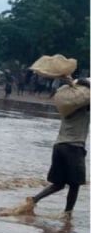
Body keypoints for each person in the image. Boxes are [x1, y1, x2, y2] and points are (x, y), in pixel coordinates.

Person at [24, 78, 89, 215]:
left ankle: (34, 199)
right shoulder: (84, 107)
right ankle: (68, 213)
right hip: (74, 148)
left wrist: (75, 84)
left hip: (59, 146)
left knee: (59, 184)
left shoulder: (67, 108)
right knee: (75, 184)